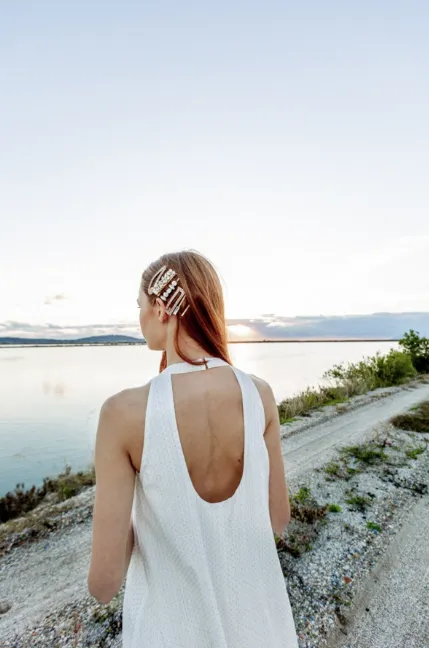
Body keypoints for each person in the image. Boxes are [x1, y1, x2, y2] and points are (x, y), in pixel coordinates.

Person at [88, 250, 299, 647]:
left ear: (162, 307)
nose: (139, 319)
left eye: (140, 306)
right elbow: (278, 518)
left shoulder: (123, 413)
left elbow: (104, 583)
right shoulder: (260, 394)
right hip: (263, 628)